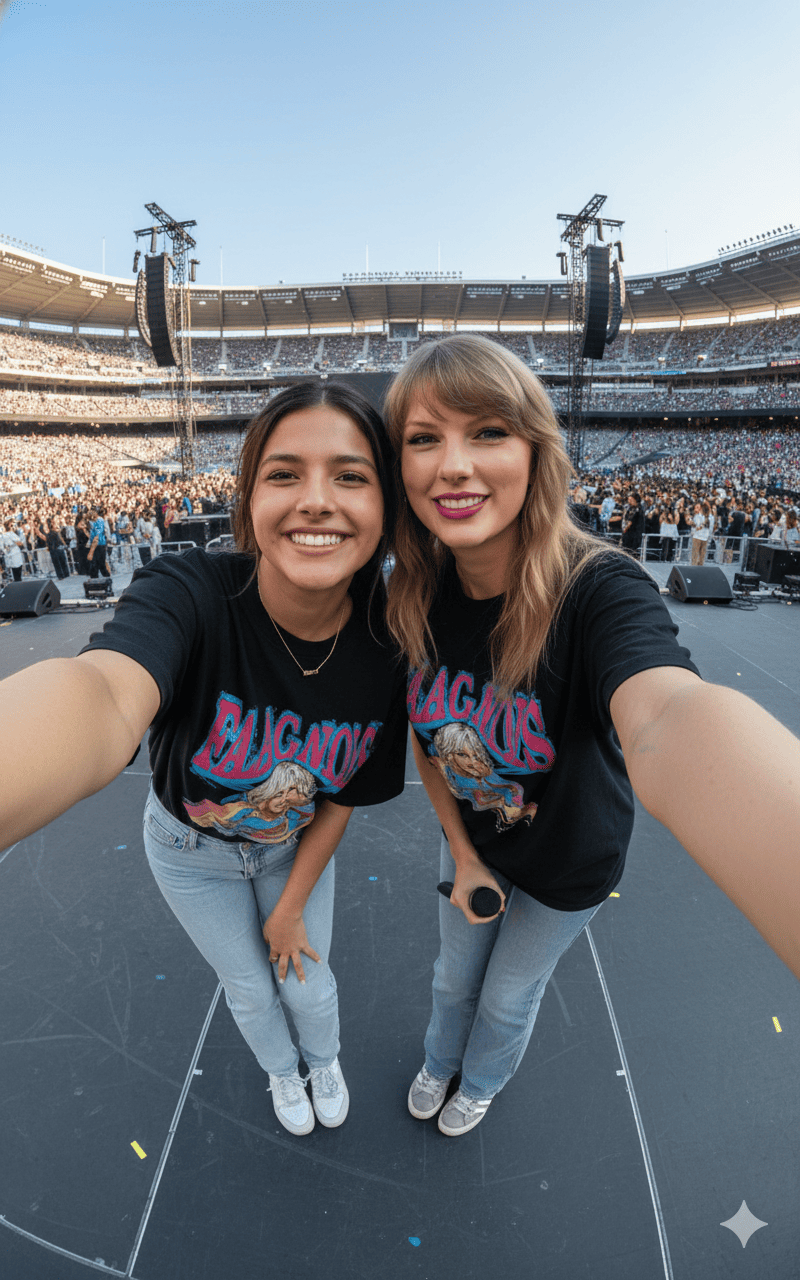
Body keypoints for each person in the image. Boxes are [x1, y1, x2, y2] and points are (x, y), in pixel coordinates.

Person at [381, 333, 800, 1138]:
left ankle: (484, 1077)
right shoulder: (413, 595)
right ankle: (441, 1061)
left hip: (569, 859)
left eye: (488, 432)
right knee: (451, 982)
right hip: (470, 837)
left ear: (536, 452)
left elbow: (672, 715)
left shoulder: (600, 587)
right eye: (424, 439)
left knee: (508, 994)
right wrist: (463, 854)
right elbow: (431, 743)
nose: (454, 465)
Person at [0, 382, 407, 1139]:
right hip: (189, 854)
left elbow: (346, 791)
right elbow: (101, 694)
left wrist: (288, 909)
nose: (316, 499)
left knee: (311, 987)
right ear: (248, 499)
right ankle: (283, 1073)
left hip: (292, 847)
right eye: (284, 474)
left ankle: (323, 1059)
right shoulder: (188, 590)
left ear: (387, 505)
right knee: (250, 991)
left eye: (351, 476)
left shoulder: (392, 644)